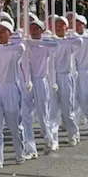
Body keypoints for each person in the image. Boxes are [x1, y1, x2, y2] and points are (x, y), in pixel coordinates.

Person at [0, 21, 30, 170]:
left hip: (11, 89)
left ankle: (20, 153)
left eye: (3, 31)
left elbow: (20, 47)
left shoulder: (17, 48)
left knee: (14, 126)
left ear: (10, 34)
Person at [23, 17, 59, 154]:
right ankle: (30, 147)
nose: (33, 30)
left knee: (43, 114)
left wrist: (36, 41)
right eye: (31, 28)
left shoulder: (46, 44)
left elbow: (56, 44)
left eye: (36, 28)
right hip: (26, 81)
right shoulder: (25, 43)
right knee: (25, 115)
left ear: (42, 30)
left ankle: (49, 139)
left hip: (41, 80)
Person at [51, 16, 82, 148]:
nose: (58, 28)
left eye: (61, 25)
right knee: (52, 111)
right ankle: (53, 139)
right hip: (52, 77)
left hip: (65, 77)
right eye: (56, 25)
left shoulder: (70, 42)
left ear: (66, 27)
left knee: (67, 110)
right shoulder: (50, 40)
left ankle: (73, 134)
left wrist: (69, 34)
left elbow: (79, 41)